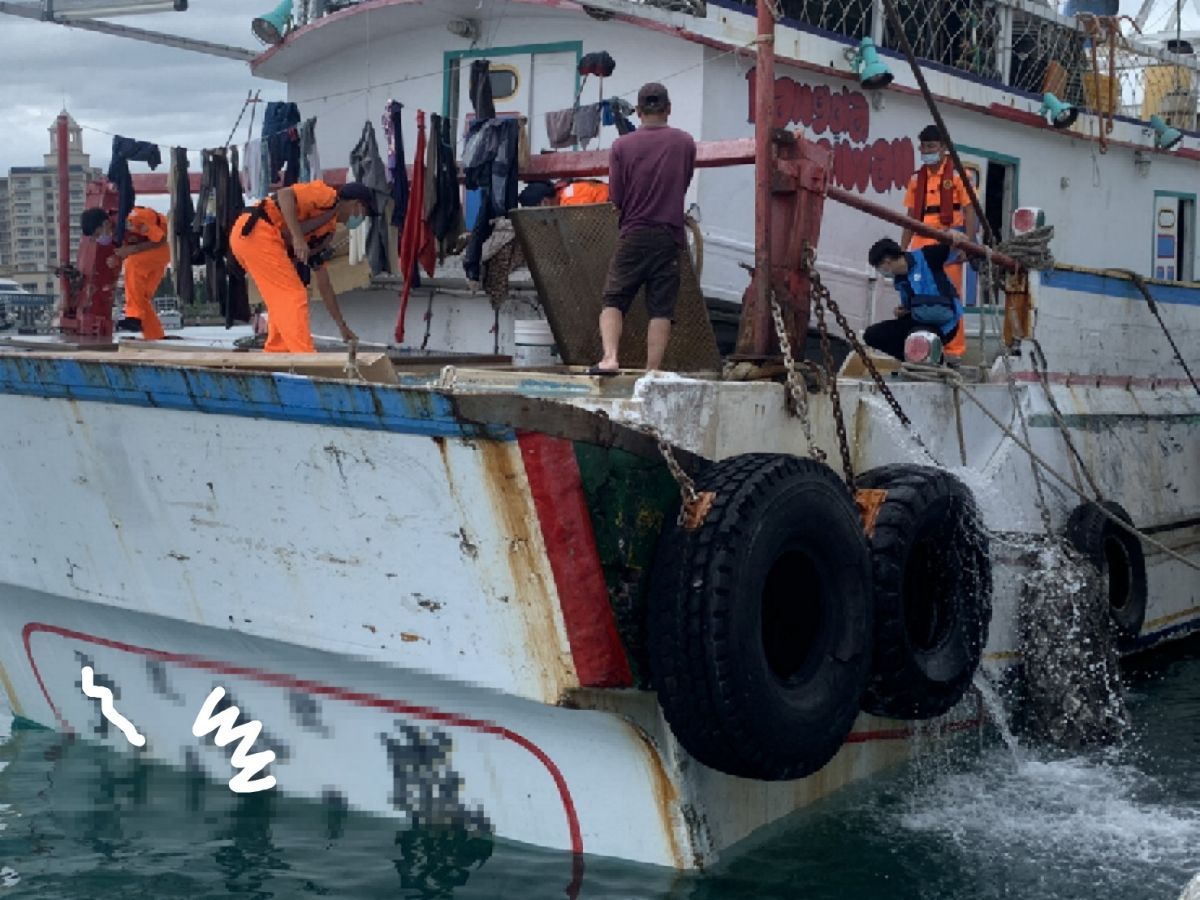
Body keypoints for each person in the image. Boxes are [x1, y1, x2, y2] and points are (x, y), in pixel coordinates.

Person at [591, 82, 696, 375]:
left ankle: (610, 358)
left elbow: (617, 199)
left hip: (634, 233)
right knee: (661, 307)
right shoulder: (685, 142)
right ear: (669, 109)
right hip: (669, 235)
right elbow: (683, 182)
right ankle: (652, 372)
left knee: (614, 298)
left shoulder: (621, 146)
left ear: (637, 112)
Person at [230, 180, 371, 353]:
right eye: (365, 213)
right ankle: (303, 354)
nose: (362, 219)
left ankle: (278, 353)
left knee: (279, 300)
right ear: (356, 205)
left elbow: (324, 283)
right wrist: (297, 237)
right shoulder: (327, 195)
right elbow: (284, 194)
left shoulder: (328, 232)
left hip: (251, 238)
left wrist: (341, 326)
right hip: (255, 231)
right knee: (294, 294)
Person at [900, 125, 977, 359]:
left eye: (931, 147)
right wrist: (902, 249)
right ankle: (920, 350)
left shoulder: (959, 175)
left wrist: (969, 244)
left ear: (943, 148)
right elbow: (911, 216)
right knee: (918, 295)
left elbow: (969, 210)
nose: (927, 151)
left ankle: (953, 352)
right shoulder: (916, 179)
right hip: (921, 242)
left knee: (949, 296)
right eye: (923, 147)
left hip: (949, 240)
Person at [864, 235, 967, 362]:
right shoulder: (900, 280)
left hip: (944, 324)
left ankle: (931, 360)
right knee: (872, 335)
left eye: (879, 267)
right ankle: (914, 360)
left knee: (917, 339)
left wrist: (953, 235)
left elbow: (955, 243)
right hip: (918, 321)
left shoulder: (928, 256)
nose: (881, 272)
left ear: (887, 261)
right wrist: (904, 311)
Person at [80, 205, 171, 340]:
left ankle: (133, 316)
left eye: (98, 234)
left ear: (106, 224)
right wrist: (118, 257)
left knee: (132, 264)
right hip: (153, 255)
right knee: (140, 297)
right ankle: (155, 336)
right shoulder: (115, 232)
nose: (99, 239)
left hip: (166, 247)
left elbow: (162, 240)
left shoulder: (134, 219)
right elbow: (128, 248)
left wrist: (131, 250)